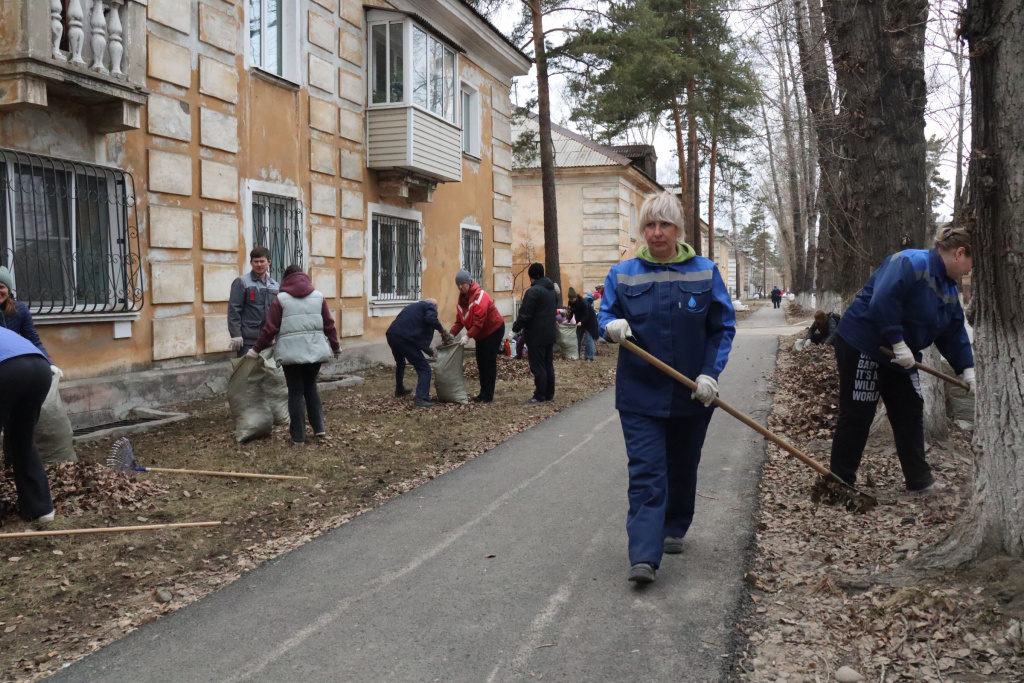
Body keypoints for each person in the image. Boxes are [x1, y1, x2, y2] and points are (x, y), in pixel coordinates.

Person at [599, 191, 736, 585]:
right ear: (642, 230)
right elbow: (604, 314)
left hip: (693, 393)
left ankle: (675, 524)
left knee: (682, 465)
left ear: (678, 229)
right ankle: (643, 554)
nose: (656, 233)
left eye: (665, 225)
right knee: (646, 470)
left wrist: (711, 373)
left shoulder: (704, 271)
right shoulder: (622, 274)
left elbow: (722, 327)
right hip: (639, 394)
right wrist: (609, 326)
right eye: (649, 225)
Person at [829, 225, 975, 493]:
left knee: (909, 410)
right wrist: (897, 341)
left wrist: (966, 369)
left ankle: (920, 481)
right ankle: (840, 482)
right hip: (864, 343)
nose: (968, 271)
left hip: (900, 355)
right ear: (959, 253)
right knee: (858, 414)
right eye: (969, 264)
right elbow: (884, 301)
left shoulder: (949, 290)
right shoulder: (910, 261)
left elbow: (953, 332)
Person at [248, 265, 340, 444]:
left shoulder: (281, 299)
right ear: (305, 277)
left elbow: (270, 328)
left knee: (295, 392)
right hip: (315, 351)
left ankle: (298, 436)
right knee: (311, 387)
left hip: (291, 353)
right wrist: (335, 346)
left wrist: (255, 349)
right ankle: (319, 428)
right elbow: (329, 324)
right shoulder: (319, 297)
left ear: (286, 279)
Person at [0, 267, 60, 469]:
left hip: (18, 368)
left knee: (16, 422)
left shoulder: (20, 311)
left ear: (8, 289)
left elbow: (32, 338)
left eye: (1, 287)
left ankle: (11, 462)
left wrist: (49, 362)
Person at [0, 326, 56, 525]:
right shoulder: (5, 331)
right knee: (22, 437)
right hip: (40, 368)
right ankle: (41, 509)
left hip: (6, 370)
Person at [449, 270, 506, 403]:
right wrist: (451, 334)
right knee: (481, 361)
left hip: (493, 330)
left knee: (488, 361)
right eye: (458, 284)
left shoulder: (481, 296)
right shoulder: (462, 300)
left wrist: (467, 336)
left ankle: (488, 395)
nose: (460, 286)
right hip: (480, 334)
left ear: (469, 282)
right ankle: (482, 393)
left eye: (463, 283)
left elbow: (478, 322)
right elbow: (460, 321)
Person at [387, 299, 452, 408]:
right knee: (424, 368)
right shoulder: (429, 306)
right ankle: (421, 398)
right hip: (404, 339)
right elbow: (430, 319)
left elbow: (413, 334)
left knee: (401, 362)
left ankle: (400, 389)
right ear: (435, 306)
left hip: (392, 335)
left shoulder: (412, 308)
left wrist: (428, 351)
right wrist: (442, 330)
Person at [511, 263, 558, 404]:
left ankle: (539, 395)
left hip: (536, 334)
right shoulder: (552, 290)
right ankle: (549, 393)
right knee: (548, 363)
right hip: (550, 332)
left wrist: (515, 328)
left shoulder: (533, 292)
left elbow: (525, 313)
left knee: (538, 366)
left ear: (531, 277)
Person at [228, 247, 280, 357]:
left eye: (262, 261)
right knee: (247, 373)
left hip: (267, 340)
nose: (259, 264)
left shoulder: (274, 286)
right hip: (247, 341)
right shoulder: (242, 282)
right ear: (251, 263)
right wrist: (235, 334)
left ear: (269, 262)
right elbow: (234, 310)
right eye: (256, 261)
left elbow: (277, 313)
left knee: (265, 373)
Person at [568, 287, 600, 361]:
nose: (571, 301)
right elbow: (571, 312)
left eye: (573, 299)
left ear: (576, 297)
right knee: (577, 338)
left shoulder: (583, 302)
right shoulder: (571, 302)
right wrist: (568, 320)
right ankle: (576, 355)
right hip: (580, 322)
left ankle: (589, 357)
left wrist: (581, 322)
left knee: (589, 339)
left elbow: (586, 314)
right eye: (570, 299)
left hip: (590, 321)